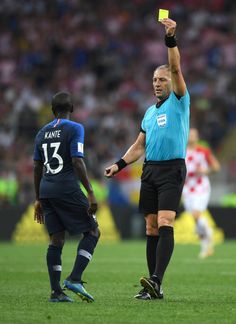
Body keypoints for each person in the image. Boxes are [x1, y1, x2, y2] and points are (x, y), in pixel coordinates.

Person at [105, 18, 190, 300]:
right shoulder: (149, 113)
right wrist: (119, 164)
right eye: (154, 79)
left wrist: (170, 39)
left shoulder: (180, 100)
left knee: (166, 221)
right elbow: (139, 145)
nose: (157, 83)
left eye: (162, 79)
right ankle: (155, 288)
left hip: (172, 170)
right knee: (151, 226)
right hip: (150, 171)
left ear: (172, 82)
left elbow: (176, 66)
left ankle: (156, 278)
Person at [33, 91, 100, 303]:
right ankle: (75, 278)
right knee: (93, 231)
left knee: (57, 239)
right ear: (72, 109)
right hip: (67, 188)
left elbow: (37, 166)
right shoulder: (75, 128)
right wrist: (90, 192)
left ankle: (55, 292)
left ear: (53, 111)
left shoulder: (41, 133)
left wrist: (37, 198)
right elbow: (77, 161)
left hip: (46, 190)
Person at [182, 127, 221, 258]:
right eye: (189, 135)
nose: (191, 137)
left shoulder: (203, 151)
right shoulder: (181, 152)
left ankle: (209, 232)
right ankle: (205, 247)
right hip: (186, 188)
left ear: (197, 137)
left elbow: (216, 167)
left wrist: (205, 171)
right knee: (195, 218)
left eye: (194, 135)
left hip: (201, 187)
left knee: (196, 214)